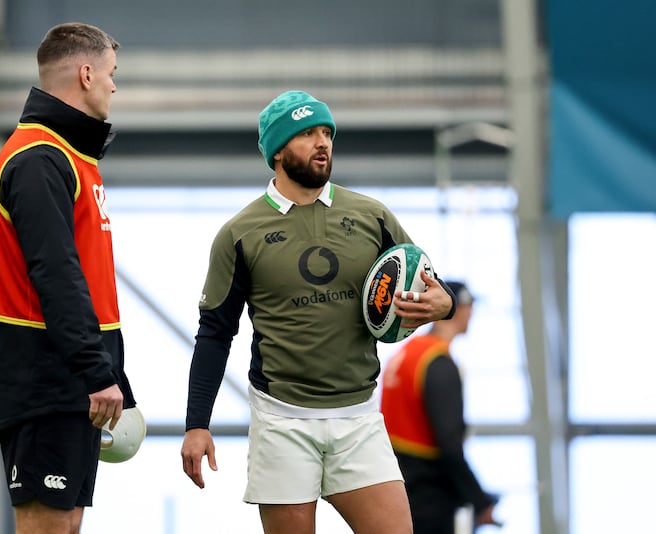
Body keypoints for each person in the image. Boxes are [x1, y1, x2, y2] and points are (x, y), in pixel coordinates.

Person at [180, 90, 456, 534]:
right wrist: (197, 425)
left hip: (360, 418)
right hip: (282, 422)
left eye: (326, 132)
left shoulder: (372, 215)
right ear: (277, 151)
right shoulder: (239, 234)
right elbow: (214, 333)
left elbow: (429, 283)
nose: (322, 142)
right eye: (307, 134)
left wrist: (445, 304)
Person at [0, 22, 137, 534]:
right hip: (47, 379)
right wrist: (95, 370)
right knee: (46, 526)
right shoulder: (39, 158)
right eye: (111, 74)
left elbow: (90, 284)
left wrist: (111, 372)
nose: (114, 86)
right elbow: (55, 274)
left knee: (65, 525)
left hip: (69, 379)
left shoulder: (67, 157)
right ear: (85, 73)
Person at [380, 281, 501, 534]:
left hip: (396, 485)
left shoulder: (406, 354)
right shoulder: (438, 363)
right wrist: (480, 501)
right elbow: (449, 443)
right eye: (470, 307)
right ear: (460, 308)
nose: (472, 314)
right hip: (428, 496)